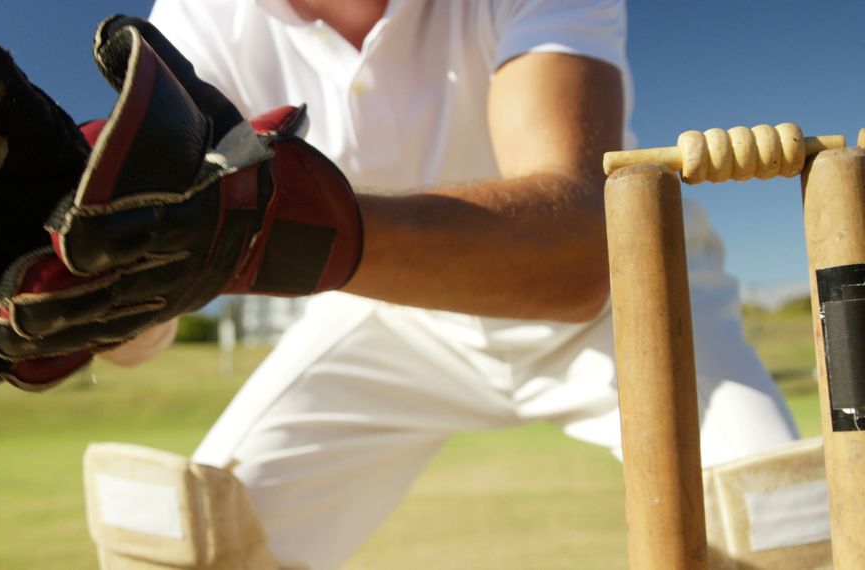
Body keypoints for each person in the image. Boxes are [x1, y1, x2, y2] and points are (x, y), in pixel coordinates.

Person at [89, 1, 798, 568]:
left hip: (631, 298)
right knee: (186, 541)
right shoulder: (200, 18)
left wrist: (261, 239)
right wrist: (104, 290)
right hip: (389, 314)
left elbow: (576, 253)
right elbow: (147, 314)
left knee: (782, 532)